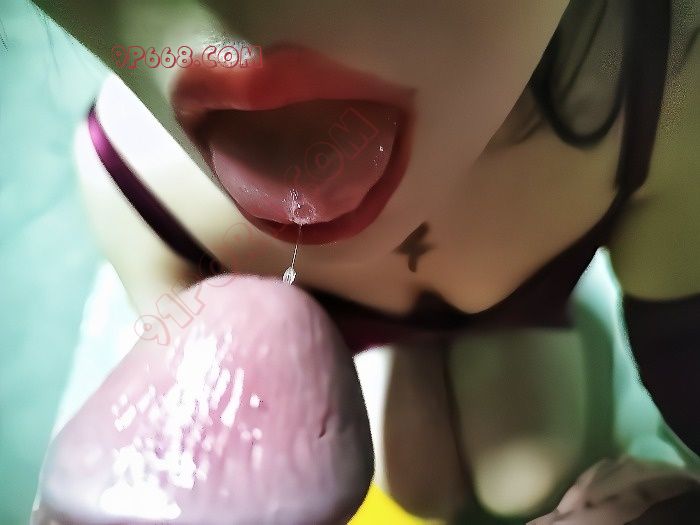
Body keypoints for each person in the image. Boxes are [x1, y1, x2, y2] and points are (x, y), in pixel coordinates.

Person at [28, 0, 700, 522]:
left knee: (526, 475)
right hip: (364, 342)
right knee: (422, 486)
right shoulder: (134, 185)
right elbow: (200, 427)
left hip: (520, 311)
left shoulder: (663, 81)